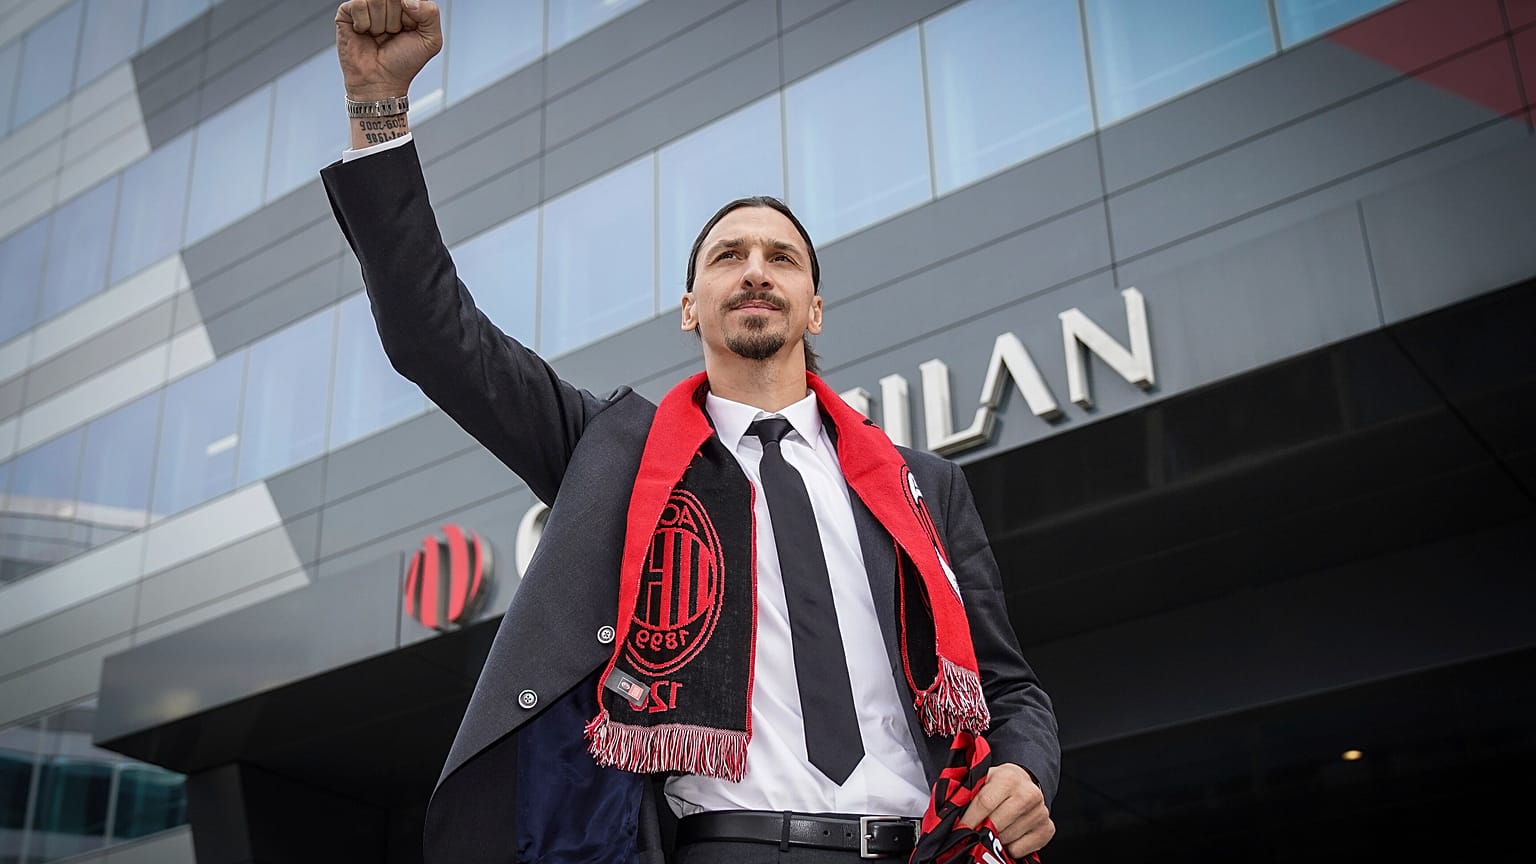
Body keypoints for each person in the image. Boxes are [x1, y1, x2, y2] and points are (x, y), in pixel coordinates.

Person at [324, 2, 1059, 862]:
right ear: (690, 308)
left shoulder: (922, 487)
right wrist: (379, 109)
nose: (755, 270)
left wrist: (1026, 770)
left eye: (782, 258)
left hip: (921, 848)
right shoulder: (612, 453)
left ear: (814, 305)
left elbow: (1010, 689)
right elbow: (434, 334)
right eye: (727, 256)